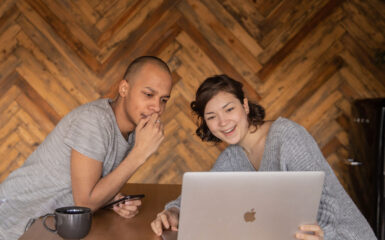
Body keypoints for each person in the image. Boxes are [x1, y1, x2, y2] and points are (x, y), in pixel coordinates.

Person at [150, 75, 377, 240]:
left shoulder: (286, 136)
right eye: (211, 117)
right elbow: (202, 195)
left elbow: (327, 200)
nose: (223, 122)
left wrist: (322, 235)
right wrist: (174, 212)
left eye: (229, 109)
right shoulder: (232, 157)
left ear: (245, 106)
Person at [0, 56, 173, 240]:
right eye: (148, 94)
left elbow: (88, 190)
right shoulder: (94, 121)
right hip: (13, 224)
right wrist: (139, 154)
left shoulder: (133, 131)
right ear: (124, 88)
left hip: (48, 226)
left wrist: (111, 200)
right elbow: (85, 203)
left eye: (163, 99)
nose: (157, 107)